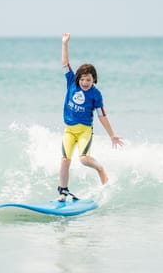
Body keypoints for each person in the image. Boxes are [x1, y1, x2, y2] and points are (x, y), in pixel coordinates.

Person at [58, 33, 123, 202]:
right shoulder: (71, 82)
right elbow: (65, 64)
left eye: (89, 80)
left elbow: (102, 116)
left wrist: (112, 135)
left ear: (94, 80)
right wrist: (64, 43)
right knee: (65, 160)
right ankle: (63, 191)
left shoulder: (95, 94)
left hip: (85, 130)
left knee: (84, 159)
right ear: (78, 78)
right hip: (69, 130)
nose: (85, 82)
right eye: (83, 79)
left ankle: (100, 169)